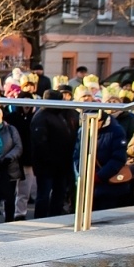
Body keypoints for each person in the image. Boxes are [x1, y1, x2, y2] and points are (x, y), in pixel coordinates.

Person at [30, 90, 77, 218]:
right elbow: (40, 144)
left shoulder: (62, 115)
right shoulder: (42, 117)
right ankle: (40, 219)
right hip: (47, 165)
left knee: (59, 194)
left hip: (61, 163)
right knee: (44, 195)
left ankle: (55, 217)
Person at [92, 113, 134, 210]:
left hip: (109, 183)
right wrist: (80, 174)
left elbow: (119, 158)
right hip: (88, 184)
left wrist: (99, 176)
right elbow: (77, 155)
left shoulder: (116, 131)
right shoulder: (83, 131)